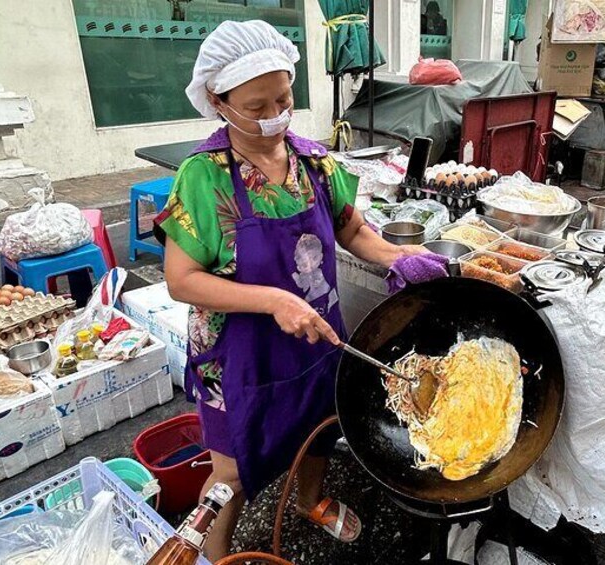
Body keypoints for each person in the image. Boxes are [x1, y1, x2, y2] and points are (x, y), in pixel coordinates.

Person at [157, 20, 429, 560]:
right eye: (257, 106)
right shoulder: (204, 177)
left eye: (283, 98)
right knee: (230, 471)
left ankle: (310, 500)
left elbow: (351, 229)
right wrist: (274, 300)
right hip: (240, 352)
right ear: (218, 101)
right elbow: (180, 279)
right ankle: (220, 552)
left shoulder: (312, 162)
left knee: (319, 426)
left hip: (316, 334)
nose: (274, 115)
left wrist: (402, 257)